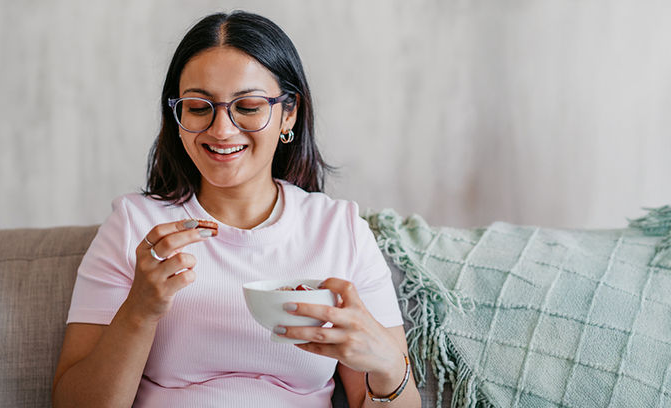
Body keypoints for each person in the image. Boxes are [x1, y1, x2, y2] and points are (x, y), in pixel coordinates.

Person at [50, 11, 421, 407]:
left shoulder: (340, 230)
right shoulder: (134, 226)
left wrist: (387, 365)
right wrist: (139, 310)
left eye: (248, 106)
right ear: (177, 116)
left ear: (289, 113)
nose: (222, 130)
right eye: (198, 107)